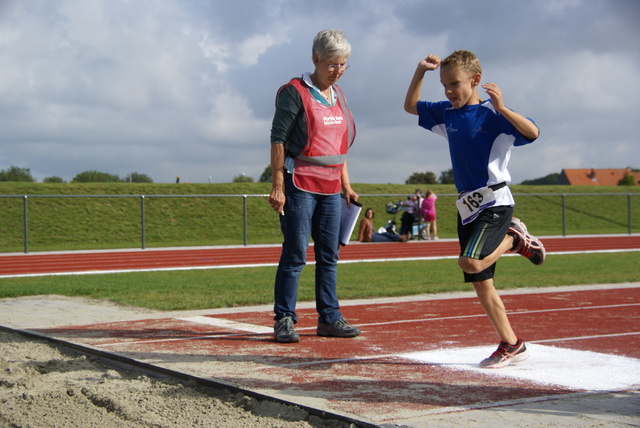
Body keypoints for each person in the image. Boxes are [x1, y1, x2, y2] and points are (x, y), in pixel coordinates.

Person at [404, 50, 546, 368]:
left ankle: (515, 239)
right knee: (482, 282)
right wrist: (420, 72)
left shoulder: (493, 115)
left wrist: (503, 108)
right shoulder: (446, 113)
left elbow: (533, 132)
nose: (448, 91)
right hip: (467, 206)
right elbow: (411, 106)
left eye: (454, 84)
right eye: (444, 85)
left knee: (469, 262)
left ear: (475, 80)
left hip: (495, 202)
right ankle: (512, 343)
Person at [268, 30, 361, 343]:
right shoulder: (294, 92)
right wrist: (278, 185)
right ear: (316, 59)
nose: (338, 71)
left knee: (328, 256)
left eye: (344, 64)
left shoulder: (339, 96)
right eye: (333, 64)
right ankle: (284, 318)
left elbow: (339, 147)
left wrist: (347, 186)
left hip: (332, 188)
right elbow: (278, 139)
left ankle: (329, 318)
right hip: (300, 184)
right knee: (295, 254)